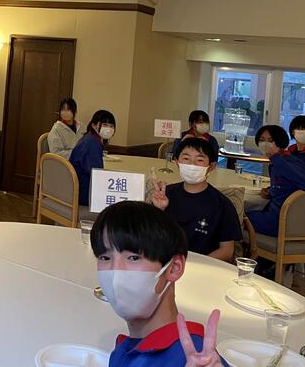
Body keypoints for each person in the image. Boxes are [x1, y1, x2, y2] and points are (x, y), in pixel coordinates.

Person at [91, 201, 228, 366]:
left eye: (133, 257)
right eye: (105, 257)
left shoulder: (195, 357)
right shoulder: (124, 348)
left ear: (174, 268)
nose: (116, 271)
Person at [150, 138, 241, 262]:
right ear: (177, 162)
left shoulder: (222, 204)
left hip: (202, 266)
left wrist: (192, 265)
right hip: (165, 263)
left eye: (199, 160)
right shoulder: (165, 195)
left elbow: (226, 251)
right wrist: (158, 210)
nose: (192, 164)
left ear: (211, 166)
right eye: (186, 158)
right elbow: (148, 237)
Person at [246, 124, 305, 237]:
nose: (265, 144)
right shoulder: (276, 162)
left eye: (270, 140)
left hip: (282, 221)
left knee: (234, 216)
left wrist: (276, 158)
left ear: (280, 142)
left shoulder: (287, 162)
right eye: (262, 140)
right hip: (275, 215)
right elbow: (287, 185)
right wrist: (270, 191)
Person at [69, 110, 116, 206]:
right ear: (94, 125)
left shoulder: (89, 138)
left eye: (111, 126)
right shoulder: (93, 143)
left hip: (74, 189)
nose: (108, 129)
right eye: (105, 125)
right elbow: (96, 174)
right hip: (83, 193)